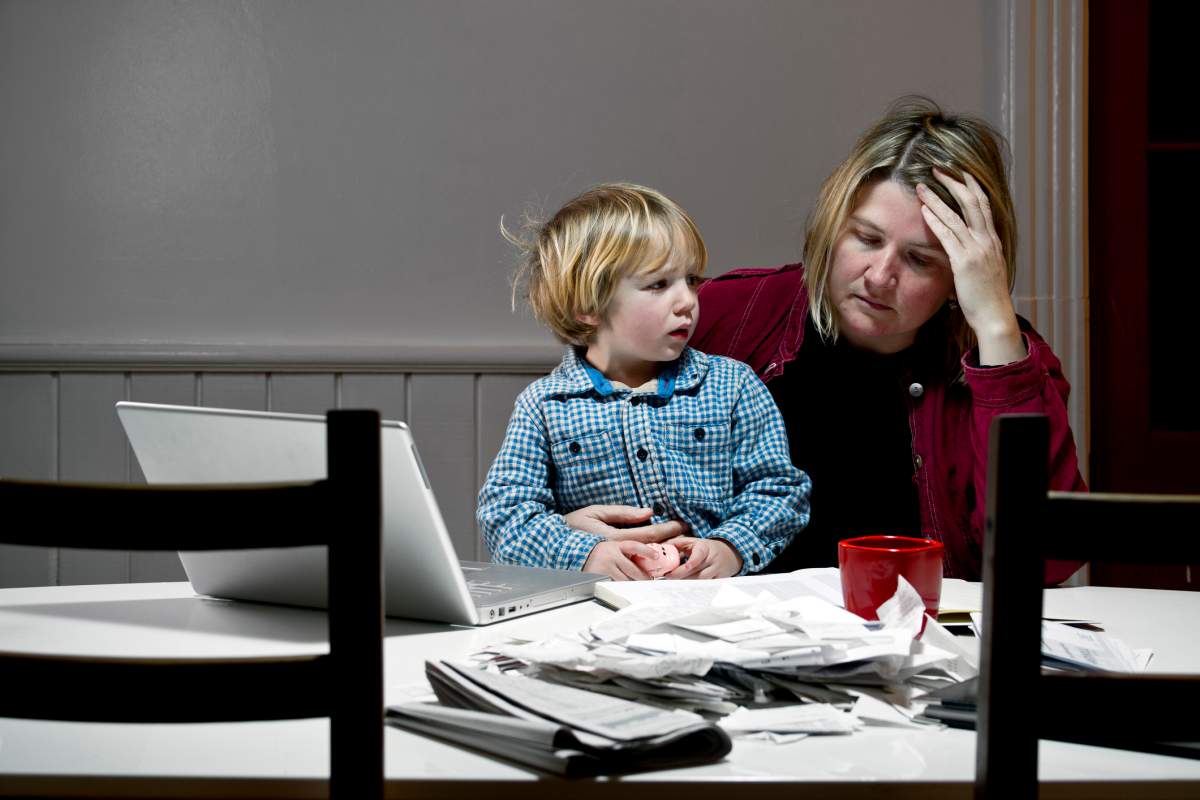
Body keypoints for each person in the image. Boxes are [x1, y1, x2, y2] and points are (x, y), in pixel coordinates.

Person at [691, 97, 1085, 584]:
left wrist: (998, 331)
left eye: (920, 260)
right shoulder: (731, 314)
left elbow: (1047, 558)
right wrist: (570, 523)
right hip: (733, 637)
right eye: (867, 239)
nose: (879, 277)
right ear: (833, 225)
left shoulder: (1009, 357)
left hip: (922, 643)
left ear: (962, 275)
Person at [477, 183, 811, 581]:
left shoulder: (732, 386)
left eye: (691, 280)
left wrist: (731, 546)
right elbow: (506, 516)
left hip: (715, 604)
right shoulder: (544, 405)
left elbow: (780, 490)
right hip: (595, 608)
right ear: (588, 305)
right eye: (658, 284)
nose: (687, 300)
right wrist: (587, 554)